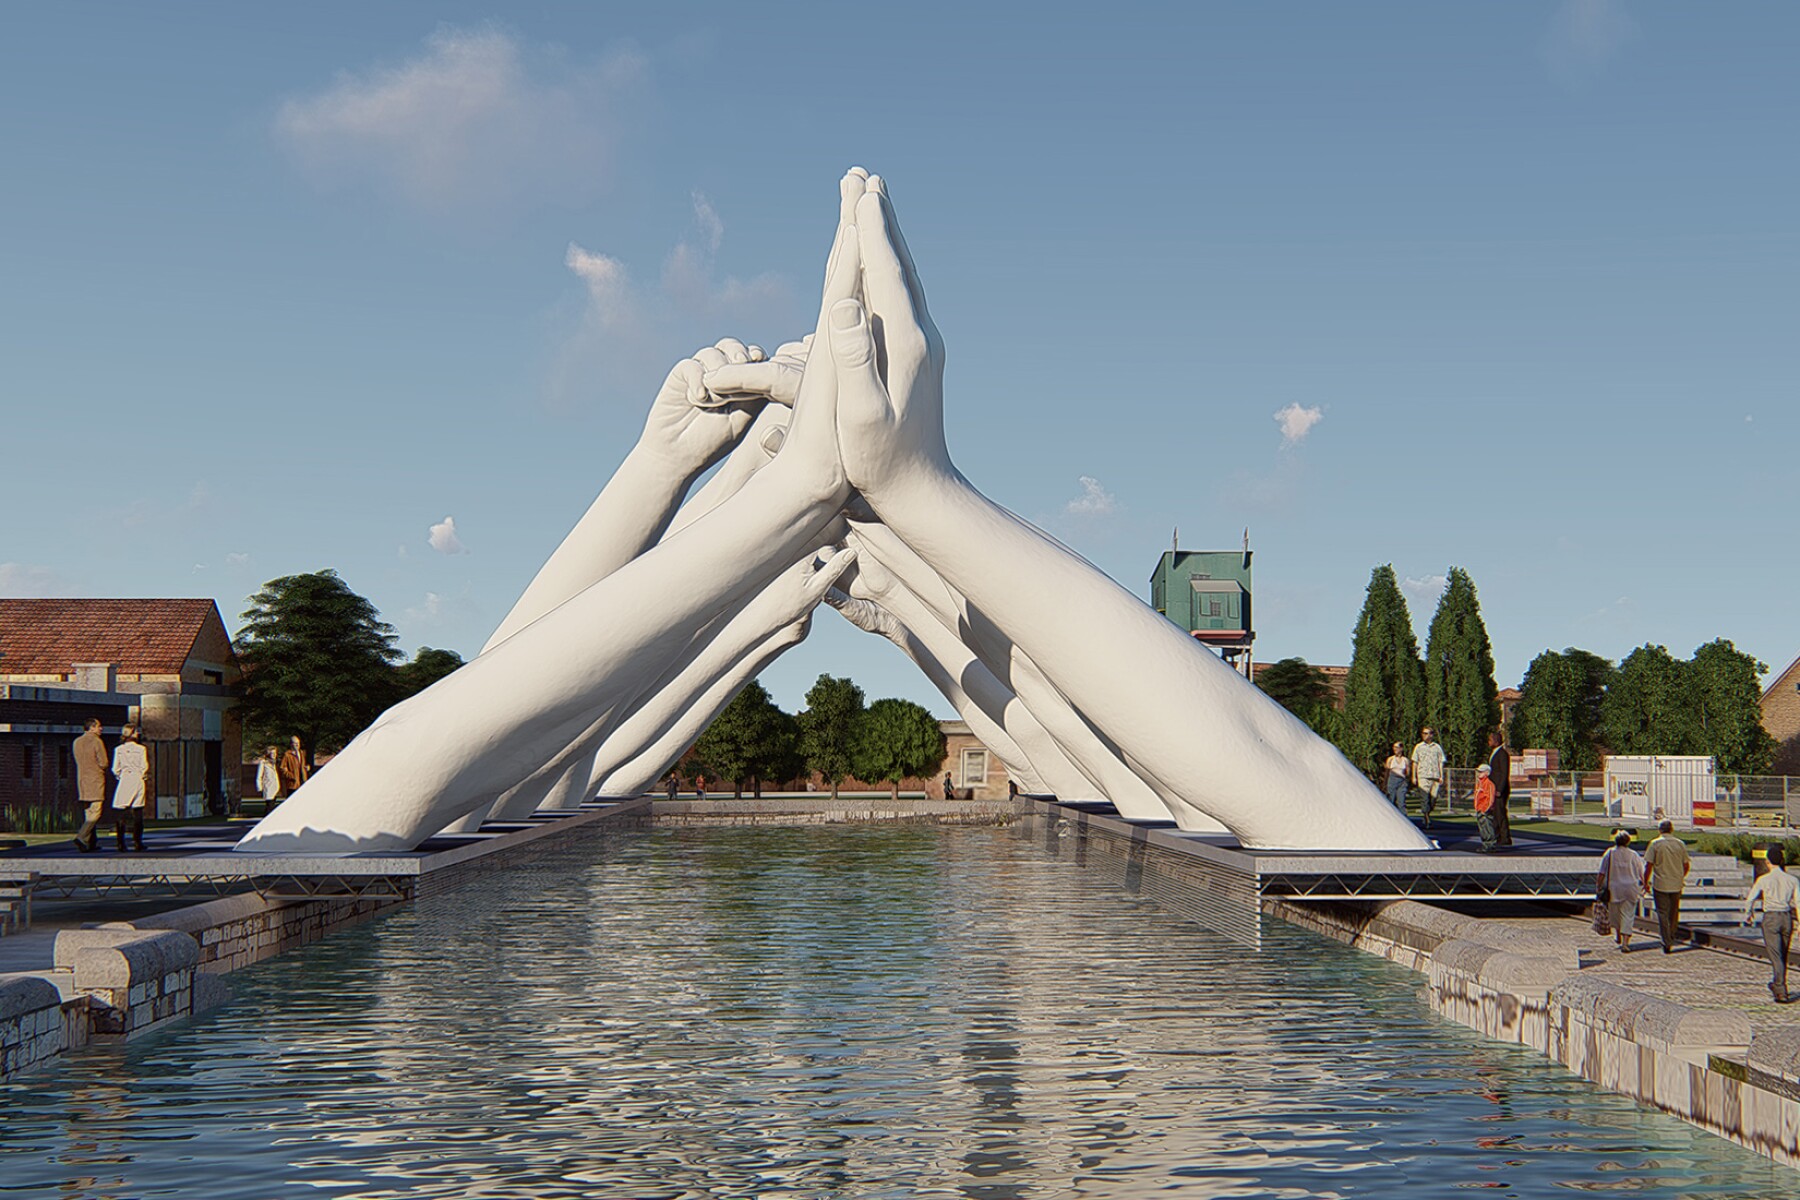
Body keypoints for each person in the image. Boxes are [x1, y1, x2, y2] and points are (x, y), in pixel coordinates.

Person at [1742, 844, 1798, 1003]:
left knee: (1775, 954)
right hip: (1786, 917)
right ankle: (1778, 983)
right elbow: (1798, 902)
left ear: (1767, 862)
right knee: (1783, 954)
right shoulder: (1792, 880)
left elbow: (1750, 898)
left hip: (1771, 917)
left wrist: (1748, 914)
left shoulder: (1764, 880)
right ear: (1782, 861)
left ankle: (1780, 989)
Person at [1642, 819, 1691, 953]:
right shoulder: (1680, 844)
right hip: (1676, 883)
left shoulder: (1655, 844)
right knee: (1673, 912)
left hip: (1660, 883)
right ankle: (1672, 934)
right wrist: (1680, 876)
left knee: (1662, 913)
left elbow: (1649, 865)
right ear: (1672, 829)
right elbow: (1686, 865)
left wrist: (1645, 882)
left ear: (1660, 830)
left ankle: (1666, 940)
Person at [1598, 830, 1645, 953]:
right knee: (1628, 915)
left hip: (1614, 888)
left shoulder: (1609, 853)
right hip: (1631, 888)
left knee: (1615, 914)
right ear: (1628, 842)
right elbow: (1641, 872)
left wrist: (1598, 886)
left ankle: (1618, 934)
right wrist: (1645, 884)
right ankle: (1625, 942)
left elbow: (1602, 872)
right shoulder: (1633, 854)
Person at [71, 718, 109, 853]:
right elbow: (103, 762)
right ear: (91, 727)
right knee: (96, 810)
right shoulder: (96, 741)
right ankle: (81, 836)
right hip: (95, 779)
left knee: (88, 812)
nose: (101, 728)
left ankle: (89, 842)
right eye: (99, 726)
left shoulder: (77, 742)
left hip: (82, 780)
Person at [110, 724, 150, 852]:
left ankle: (120, 842)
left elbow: (115, 768)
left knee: (121, 811)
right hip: (138, 778)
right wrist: (142, 774)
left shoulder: (119, 749)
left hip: (125, 779)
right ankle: (138, 841)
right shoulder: (141, 749)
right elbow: (144, 766)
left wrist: (119, 775)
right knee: (138, 811)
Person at [1410, 727, 1446, 829]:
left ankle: (1427, 813)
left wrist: (1441, 775)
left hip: (1435, 776)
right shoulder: (1419, 747)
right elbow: (1415, 762)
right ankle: (1426, 819)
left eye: (1427, 733)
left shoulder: (1437, 747)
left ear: (1432, 735)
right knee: (1424, 798)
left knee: (1433, 798)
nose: (1425, 735)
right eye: (1424, 733)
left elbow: (1440, 762)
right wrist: (1414, 776)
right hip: (1423, 776)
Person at [1486, 731, 1512, 847]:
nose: (1488, 742)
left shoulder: (1502, 754)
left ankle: (1505, 837)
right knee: (1495, 813)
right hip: (1493, 788)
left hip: (1500, 789)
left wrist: (1500, 789)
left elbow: (1504, 773)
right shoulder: (1494, 753)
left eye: (1490, 740)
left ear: (1496, 741)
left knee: (1500, 813)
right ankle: (1497, 836)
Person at [1472, 764, 1498, 852]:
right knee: (1482, 828)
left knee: (1487, 827)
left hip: (1485, 810)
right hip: (1479, 809)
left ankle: (1490, 844)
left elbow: (1490, 798)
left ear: (1487, 773)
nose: (1479, 773)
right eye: (1479, 771)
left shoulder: (1489, 784)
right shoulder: (1479, 783)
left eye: (1481, 772)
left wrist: (1486, 809)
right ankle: (1485, 844)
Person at [1383, 742, 1410, 813]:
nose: (1395, 749)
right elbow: (1387, 772)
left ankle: (1403, 816)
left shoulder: (1405, 760)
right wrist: (1385, 784)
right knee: (1390, 800)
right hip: (1392, 780)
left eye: (1397, 747)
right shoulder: (1390, 759)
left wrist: (1406, 781)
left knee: (1401, 801)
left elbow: (1408, 773)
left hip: (1402, 781)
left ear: (1401, 749)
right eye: (1394, 747)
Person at [255, 746, 282, 811]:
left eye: (275, 753)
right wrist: (259, 787)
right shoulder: (263, 763)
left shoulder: (275, 763)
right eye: (272, 753)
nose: (274, 755)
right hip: (268, 786)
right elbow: (259, 776)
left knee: (272, 805)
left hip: (275, 787)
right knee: (269, 806)